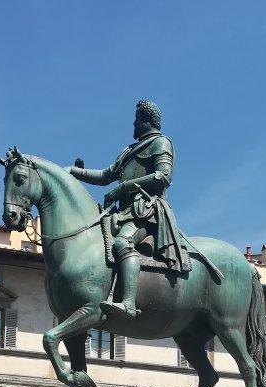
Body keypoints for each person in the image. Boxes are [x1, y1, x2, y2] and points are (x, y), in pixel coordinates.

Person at [68, 100, 190, 320]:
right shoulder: (128, 151)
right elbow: (105, 176)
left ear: (147, 121)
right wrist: (74, 172)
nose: (133, 124)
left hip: (147, 212)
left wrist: (124, 187)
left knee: (123, 242)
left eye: (137, 119)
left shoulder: (161, 143)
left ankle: (128, 303)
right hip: (124, 213)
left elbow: (163, 177)